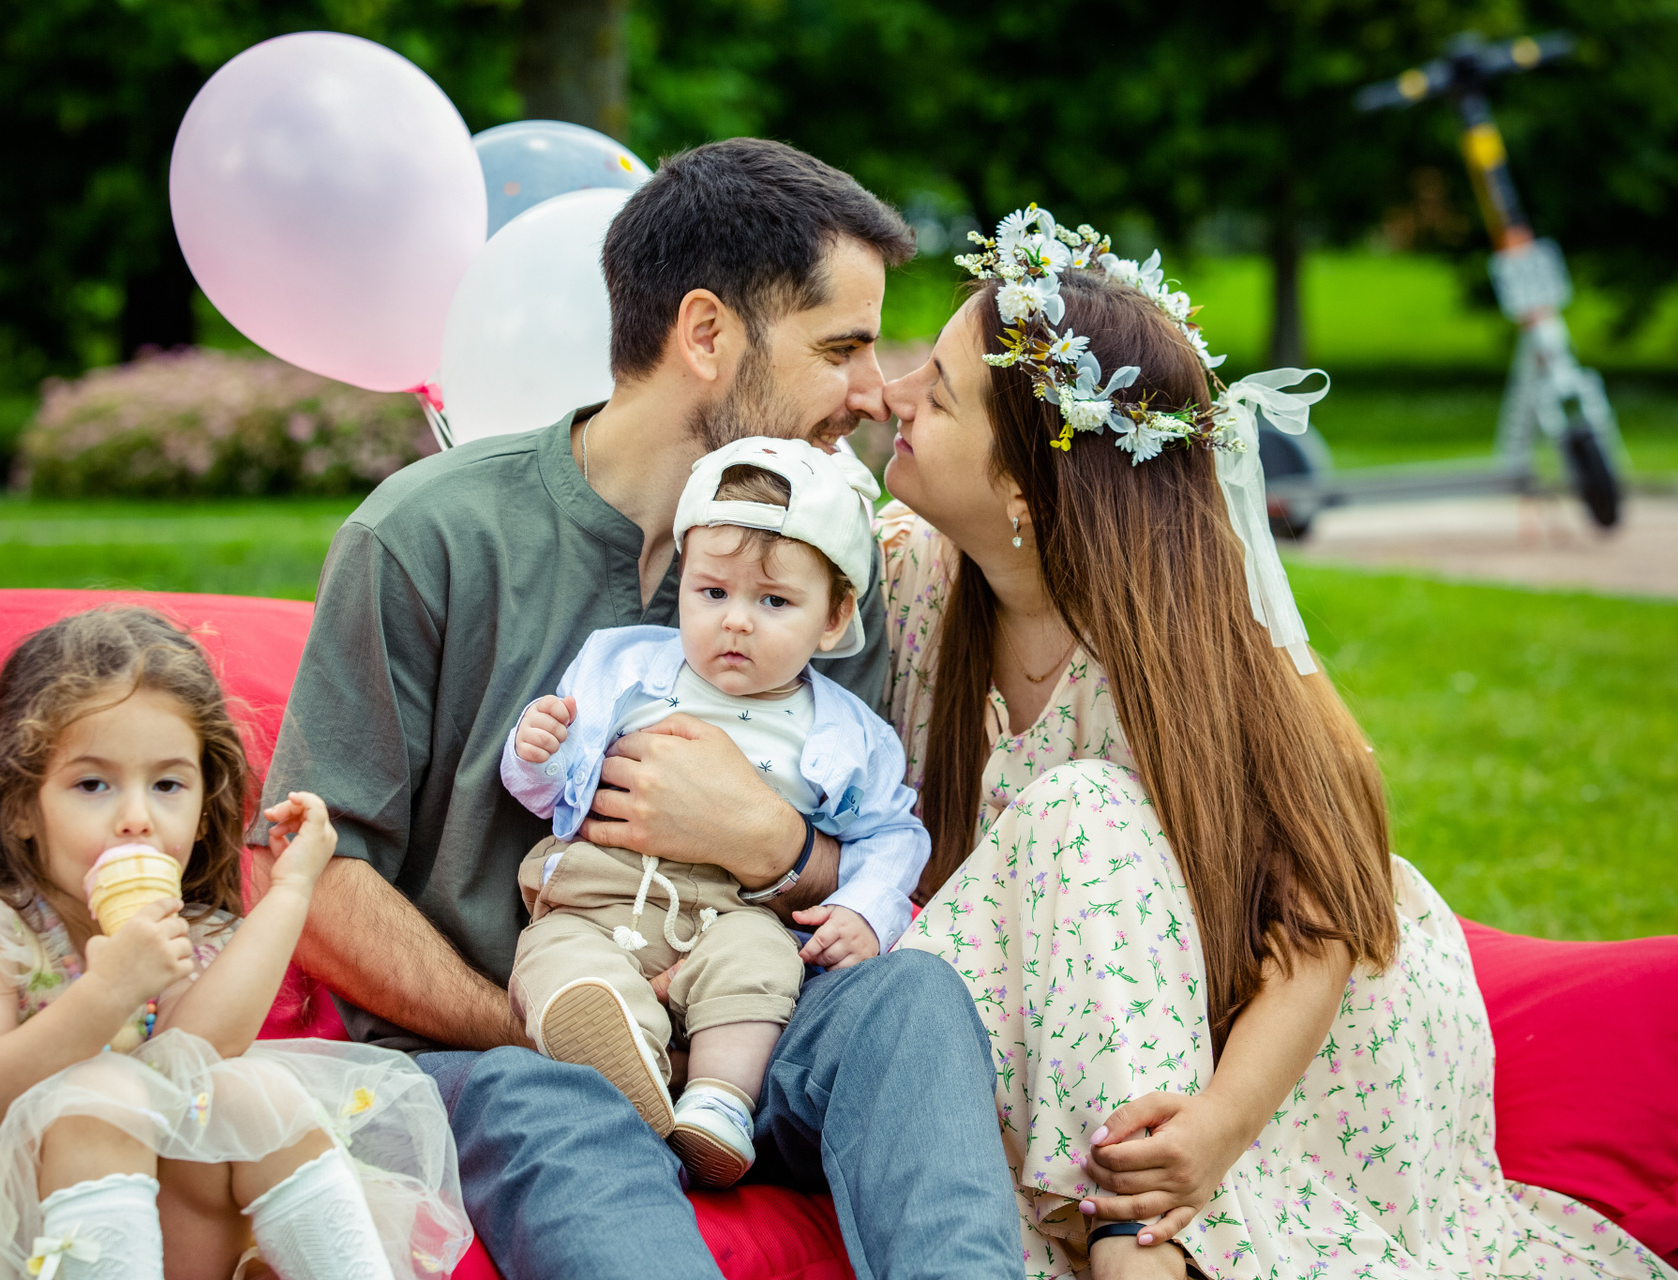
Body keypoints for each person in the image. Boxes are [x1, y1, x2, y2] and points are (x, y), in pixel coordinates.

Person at [260, 138, 1024, 1278]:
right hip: (506, 1052)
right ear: (706, 334)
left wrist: (773, 844)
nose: (874, 391)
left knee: (911, 997)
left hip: (748, 1029)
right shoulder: (429, 535)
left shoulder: (821, 566)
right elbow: (316, 875)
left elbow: (863, 843)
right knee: (559, 1105)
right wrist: (545, 1022)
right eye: (841, 347)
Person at [877, 206, 1678, 1280]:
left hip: (1292, 1044)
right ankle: (1126, 1242)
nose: (891, 395)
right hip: (1103, 1017)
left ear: (1023, 486)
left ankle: (1140, 1247)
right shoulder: (909, 584)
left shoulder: (1195, 640)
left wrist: (1217, 1129)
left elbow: (1325, 913)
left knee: (1078, 810)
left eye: (936, 394)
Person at [0, 607, 467, 1280]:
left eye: (167, 784)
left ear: (203, 809)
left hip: (169, 1229)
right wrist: (108, 993)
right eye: (92, 784)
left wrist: (292, 892)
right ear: (21, 807)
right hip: (24, 1225)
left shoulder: (180, 926)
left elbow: (197, 1056)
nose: (136, 817)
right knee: (103, 1085)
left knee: (255, 1089)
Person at [502, 437, 929, 1189]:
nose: (736, 622)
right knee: (557, 955)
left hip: (736, 914)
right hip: (600, 897)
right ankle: (616, 1046)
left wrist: (866, 909)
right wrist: (537, 752)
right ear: (685, 584)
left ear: (833, 619)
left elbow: (892, 834)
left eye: (773, 602)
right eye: (712, 593)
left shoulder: (846, 733)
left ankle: (720, 1101)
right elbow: (555, 793)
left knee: (762, 965)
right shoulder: (625, 669)